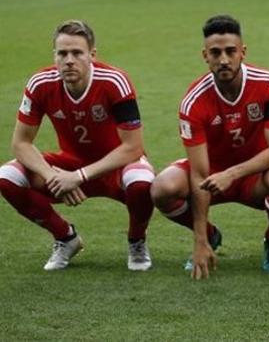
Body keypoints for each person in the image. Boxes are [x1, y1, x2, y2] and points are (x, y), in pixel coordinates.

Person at [151, 15, 269, 279]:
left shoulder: (268, 84)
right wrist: (199, 239)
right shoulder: (193, 102)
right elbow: (199, 173)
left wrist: (231, 174)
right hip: (210, 175)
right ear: (205, 56)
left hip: (254, 176)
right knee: (162, 189)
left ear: (243, 52)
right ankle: (210, 235)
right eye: (215, 53)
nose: (223, 60)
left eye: (230, 51)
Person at [0, 20, 155, 271]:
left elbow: (133, 147)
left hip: (115, 167)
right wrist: (52, 175)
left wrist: (79, 177)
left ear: (92, 55)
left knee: (142, 182)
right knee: (7, 177)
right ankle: (65, 238)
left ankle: (137, 240)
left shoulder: (115, 81)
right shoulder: (40, 83)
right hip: (68, 166)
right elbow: (20, 144)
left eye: (77, 53)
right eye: (62, 53)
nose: (69, 60)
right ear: (55, 56)